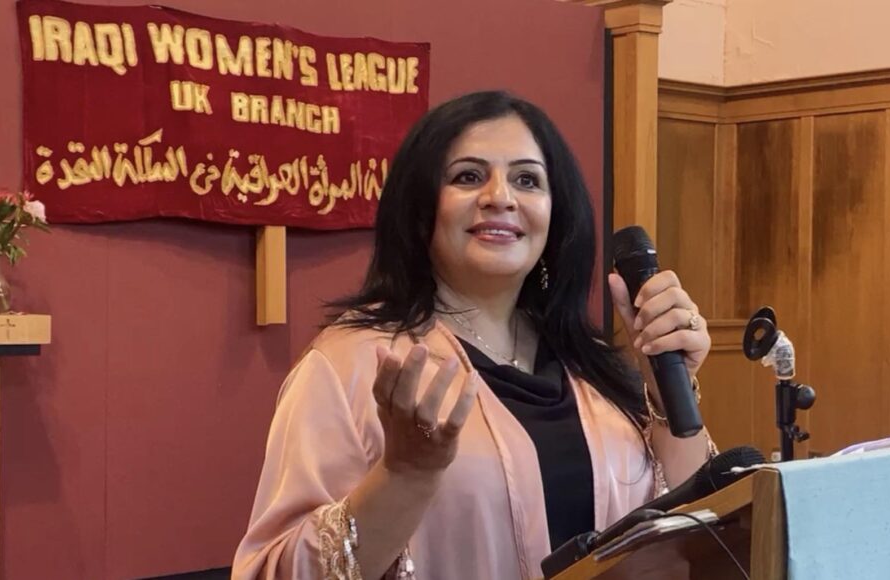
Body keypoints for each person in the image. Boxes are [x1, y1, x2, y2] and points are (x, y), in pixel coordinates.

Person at [231, 90, 717, 580]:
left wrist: (663, 391)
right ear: (421, 208)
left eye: (527, 179)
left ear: (556, 213)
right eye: (468, 176)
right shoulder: (352, 363)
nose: (500, 197)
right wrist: (404, 475)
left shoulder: (591, 368)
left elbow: (697, 534)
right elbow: (275, 570)